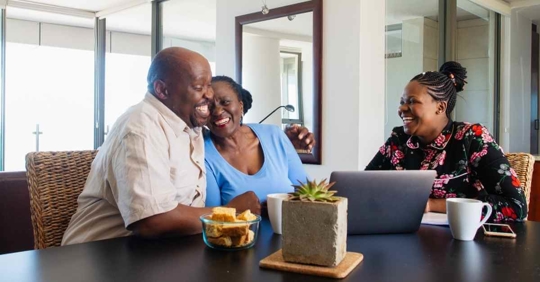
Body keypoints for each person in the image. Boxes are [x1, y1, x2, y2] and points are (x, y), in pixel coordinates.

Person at [62, 47, 260, 245]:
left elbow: (226, 125)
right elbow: (152, 221)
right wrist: (230, 212)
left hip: (163, 253)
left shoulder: (188, 122)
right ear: (162, 90)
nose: (209, 95)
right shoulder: (140, 127)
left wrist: (286, 139)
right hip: (100, 257)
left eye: (209, 85)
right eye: (199, 87)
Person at [366, 61, 527, 222]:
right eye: (402, 102)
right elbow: (365, 188)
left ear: (440, 108)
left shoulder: (471, 138)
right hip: (403, 233)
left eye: (412, 101)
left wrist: (432, 205)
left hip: (461, 240)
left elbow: (516, 207)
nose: (402, 109)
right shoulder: (399, 139)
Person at [204, 76, 309, 206]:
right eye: (209, 106)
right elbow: (212, 218)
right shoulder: (203, 153)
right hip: (238, 227)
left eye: (225, 102)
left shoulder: (274, 135)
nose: (218, 111)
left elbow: (306, 192)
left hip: (292, 226)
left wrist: (270, 208)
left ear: (240, 106)